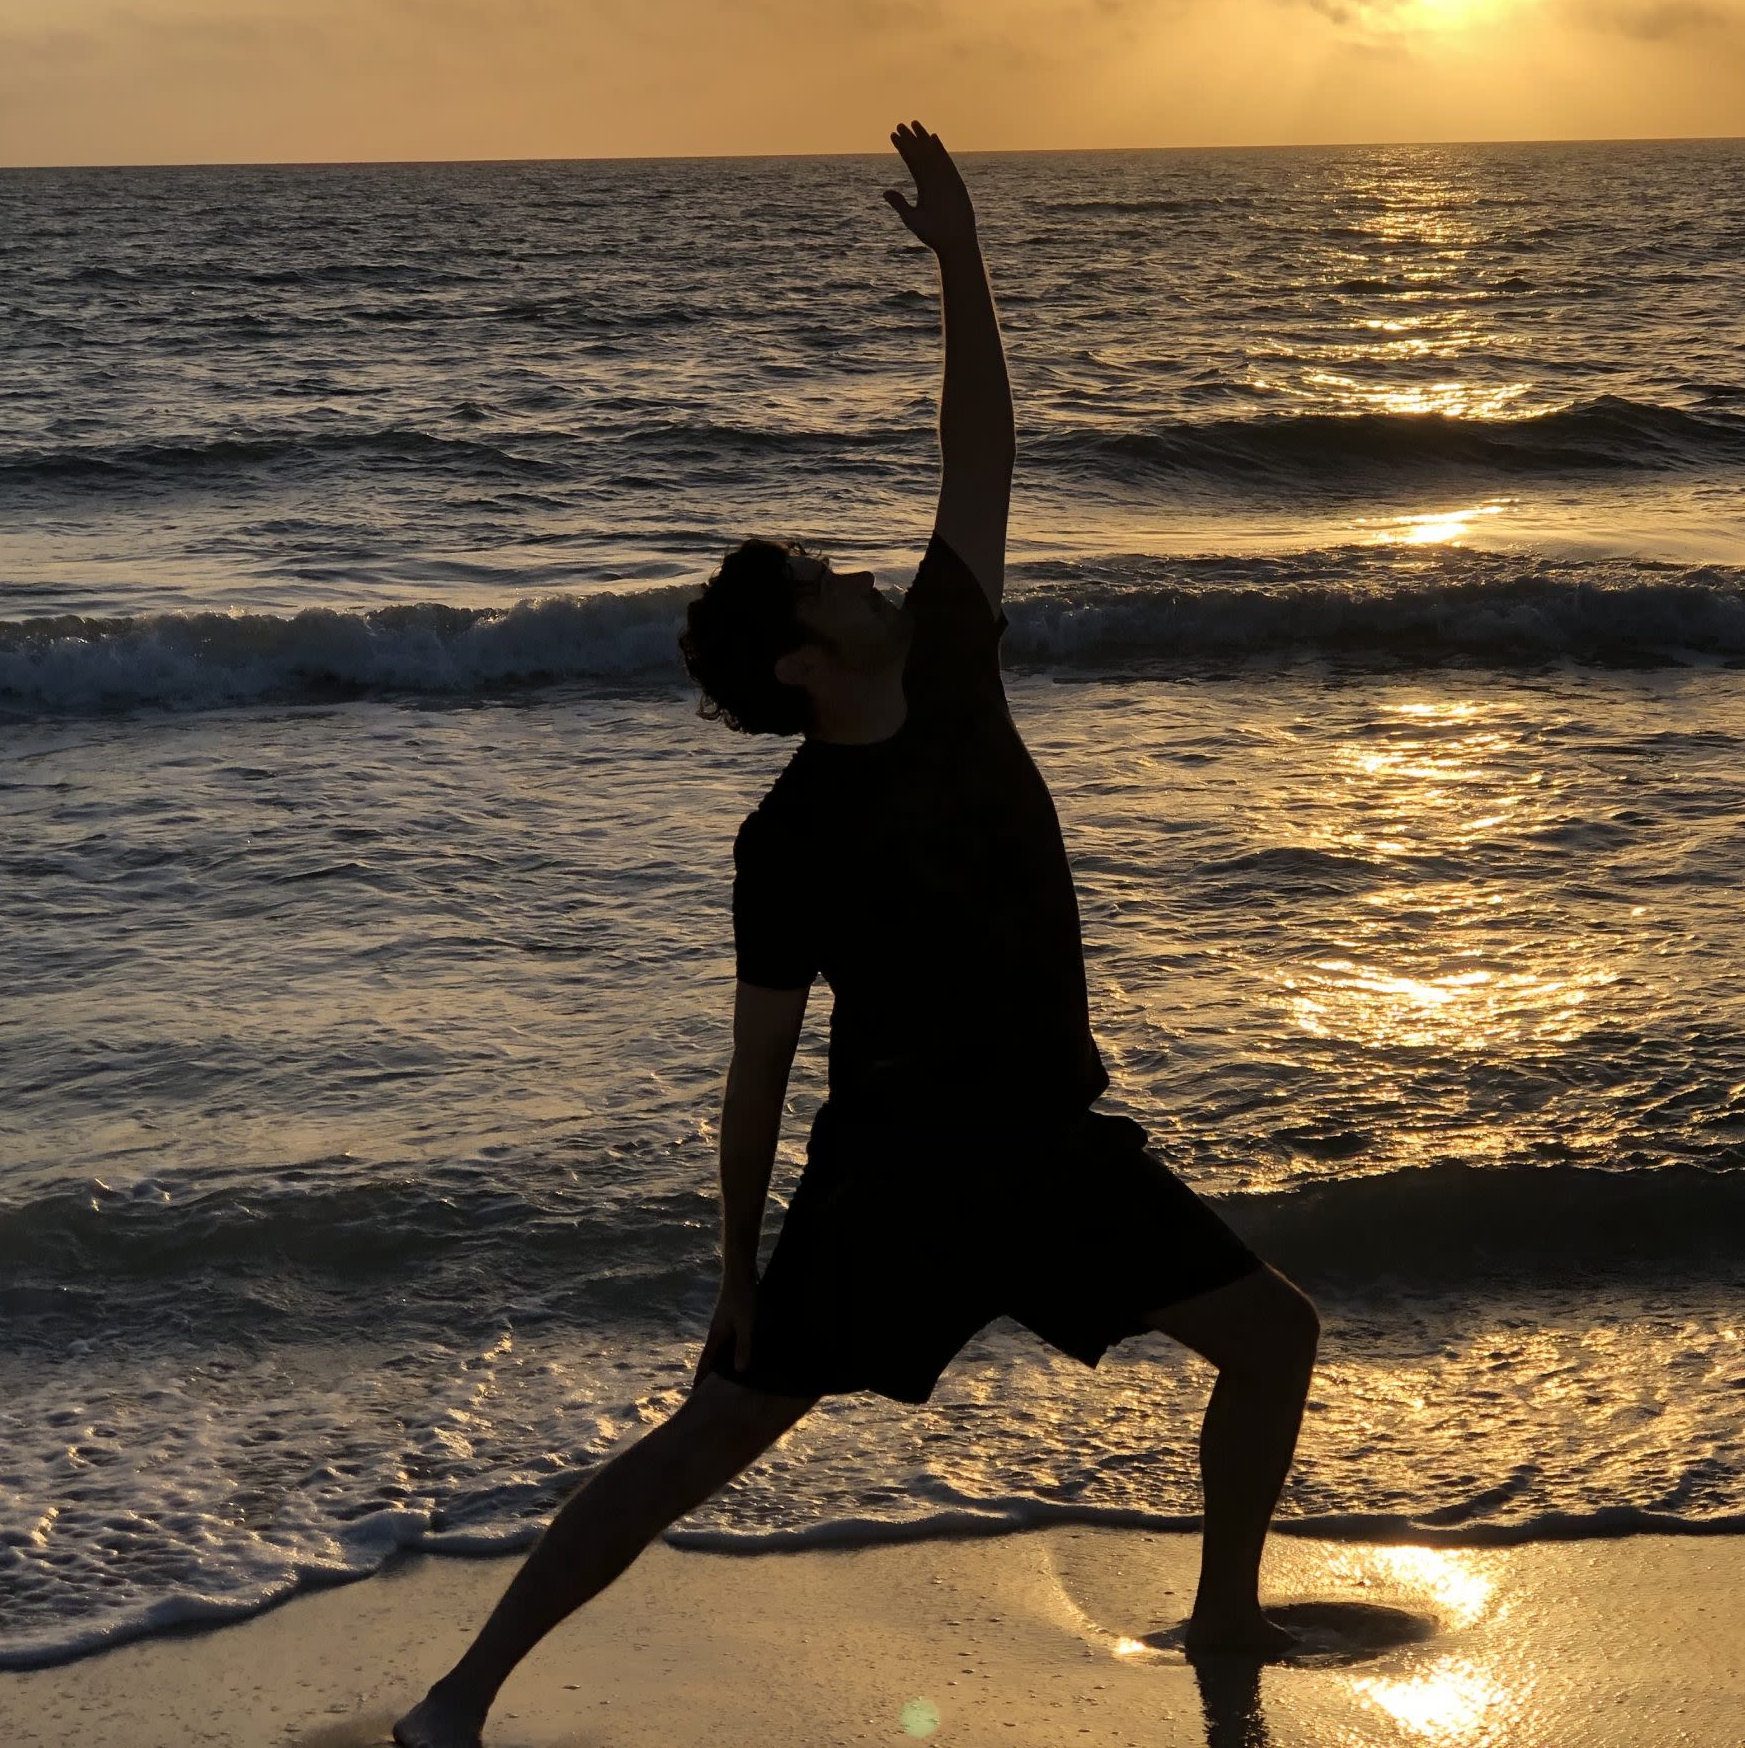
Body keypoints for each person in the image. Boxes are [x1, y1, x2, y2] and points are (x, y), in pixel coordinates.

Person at [393, 123, 1321, 1748]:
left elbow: (984, 455)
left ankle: (1224, 1615)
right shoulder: (790, 840)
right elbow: (754, 1077)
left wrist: (961, 260)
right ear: (801, 669)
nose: (865, 577)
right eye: (828, 585)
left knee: (1272, 1339)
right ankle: (454, 1704)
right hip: (894, 1179)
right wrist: (739, 1268)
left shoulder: (951, 667)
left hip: (1050, 1147)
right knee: (706, 1440)